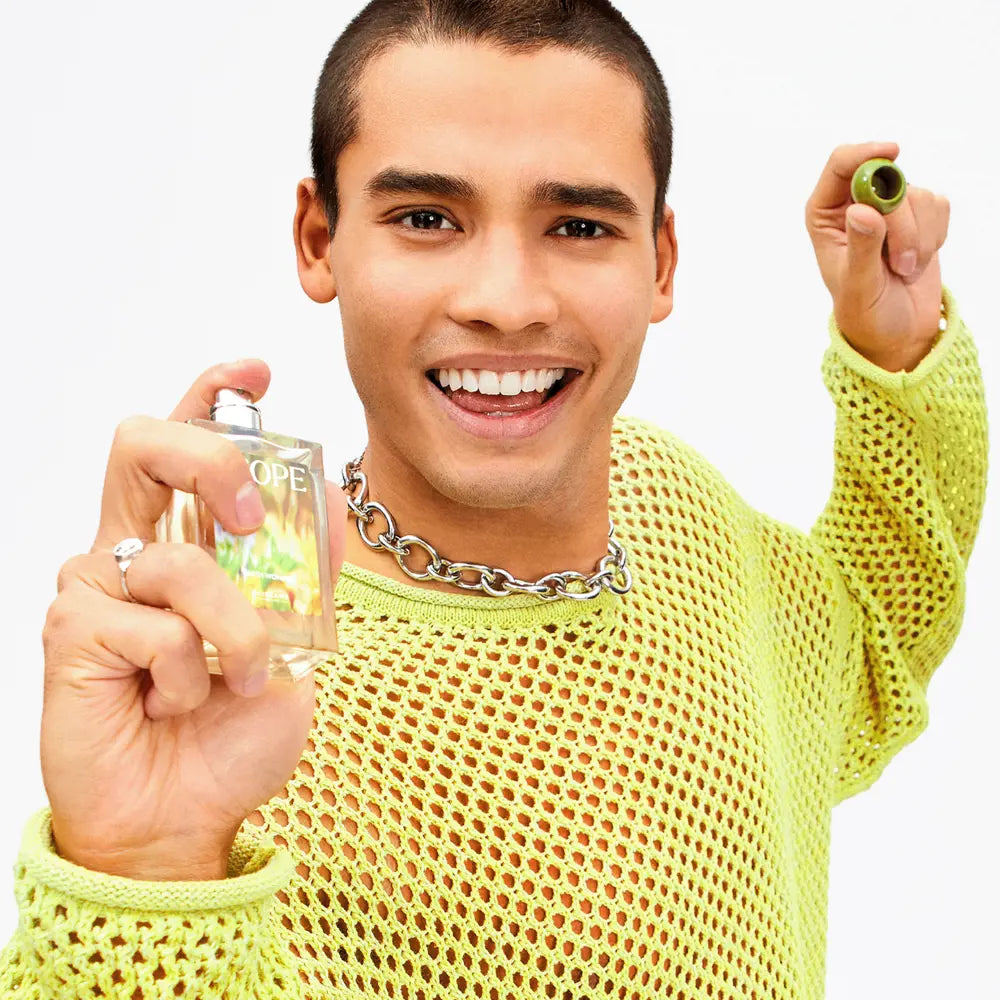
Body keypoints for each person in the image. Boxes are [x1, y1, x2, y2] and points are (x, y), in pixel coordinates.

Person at [0, 0, 988, 997]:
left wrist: (898, 348)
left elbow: (867, 646)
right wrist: (145, 869)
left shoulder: (671, 506)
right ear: (319, 238)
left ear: (660, 261)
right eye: (427, 219)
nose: (506, 302)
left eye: (578, 225)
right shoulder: (234, 700)